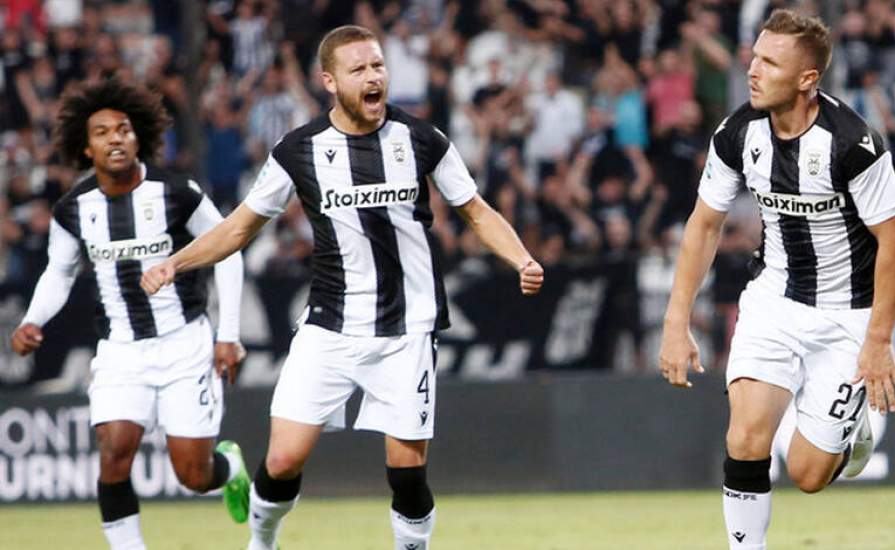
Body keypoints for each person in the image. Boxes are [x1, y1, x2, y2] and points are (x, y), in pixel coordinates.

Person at [139, 25, 544, 550]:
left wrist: (520, 258)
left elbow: (477, 211)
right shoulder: (298, 150)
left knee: (407, 474)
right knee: (282, 459)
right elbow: (239, 228)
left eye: (378, 66)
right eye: (359, 69)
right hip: (329, 327)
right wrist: (176, 263)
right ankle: (262, 541)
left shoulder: (421, 139)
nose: (374, 77)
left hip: (407, 330)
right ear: (329, 81)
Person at [657, 10, 895, 549]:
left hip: (847, 315)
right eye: (755, 57)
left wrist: (878, 341)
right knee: (745, 437)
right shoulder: (736, 133)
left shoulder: (854, 144)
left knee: (808, 474)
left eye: (770, 63)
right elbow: (704, 225)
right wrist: (676, 323)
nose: (753, 70)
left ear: (806, 79)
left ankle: (850, 435)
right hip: (774, 299)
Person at [7, 78, 249, 550]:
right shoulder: (73, 209)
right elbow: (59, 272)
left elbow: (229, 250)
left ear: (139, 138)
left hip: (184, 344)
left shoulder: (176, 192)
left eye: (123, 129)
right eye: (102, 132)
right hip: (121, 349)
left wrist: (229, 334)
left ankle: (230, 467)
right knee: (114, 455)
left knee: (194, 476)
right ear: (86, 147)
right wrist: (32, 320)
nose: (114, 139)